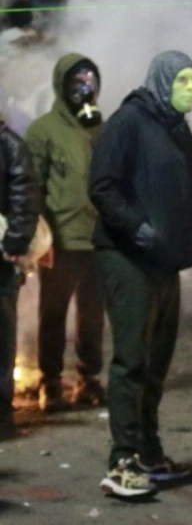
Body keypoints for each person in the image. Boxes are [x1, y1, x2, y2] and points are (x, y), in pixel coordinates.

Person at [89, 51, 192, 498]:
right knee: (132, 360)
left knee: (157, 361)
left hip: (164, 261)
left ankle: (149, 452)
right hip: (126, 257)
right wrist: (138, 228)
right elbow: (102, 185)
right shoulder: (129, 122)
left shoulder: (178, 130)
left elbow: (190, 191)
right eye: (184, 80)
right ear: (163, 81)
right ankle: (122, 461)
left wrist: (190, 240)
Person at [24, 53, 106, 412]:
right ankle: (50, 381)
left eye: (90, 81)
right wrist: (42, 238)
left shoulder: (101, 128)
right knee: (53, 314)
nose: (84, 88)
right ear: (62, 84)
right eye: (77, 81)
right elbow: (32, 188)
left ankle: (88, 379)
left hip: (97, 238)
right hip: (60, 239)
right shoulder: (43, 131)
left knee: (92, 314)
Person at [0, 110, 38, 439]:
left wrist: (15, 240)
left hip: (1, 257)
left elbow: (25, 198)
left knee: (1, 331)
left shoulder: (10, 146)